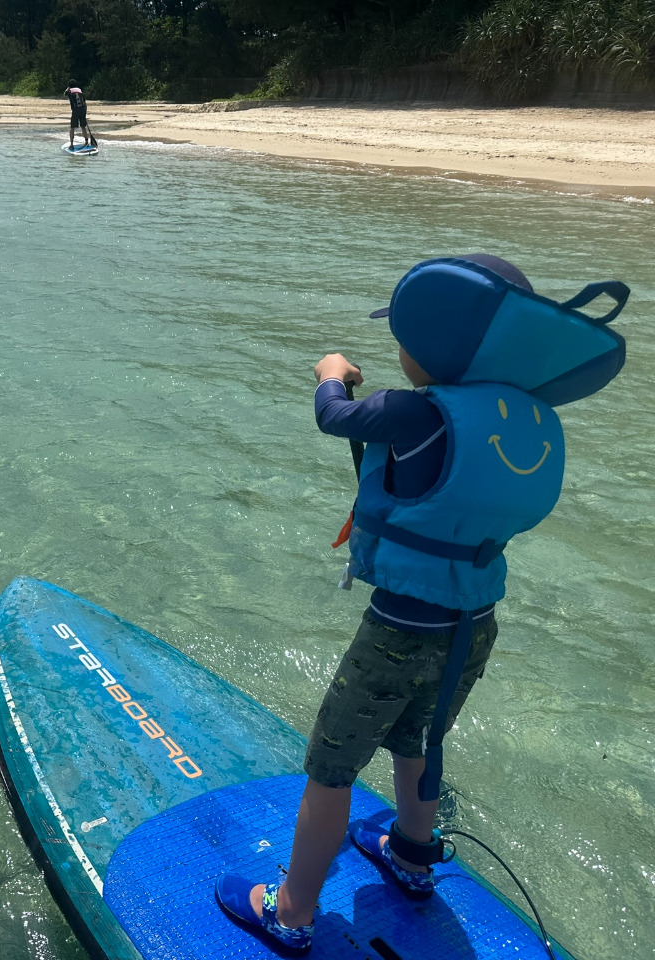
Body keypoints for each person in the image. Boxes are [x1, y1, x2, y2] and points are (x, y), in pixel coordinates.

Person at [214, 254, 630, 952]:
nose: (399, 350)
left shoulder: (413, 413)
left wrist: (330, 374)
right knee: (423, 739)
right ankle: (411, 857)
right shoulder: (521, 419)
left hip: (398, 630)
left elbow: (335, 417)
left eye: (405, 336)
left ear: (435, 340)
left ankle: (290, 911)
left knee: (330, 768)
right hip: (473, 625)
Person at [64, 80, 95, 149]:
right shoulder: (79, 90)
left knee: (72, 127)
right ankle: (86, 142)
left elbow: (65, 94)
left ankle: (71, 144)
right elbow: (84, 101)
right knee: (83, 126)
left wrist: (68, 88)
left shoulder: (69, 91)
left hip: (76, 110)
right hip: (83, 109)